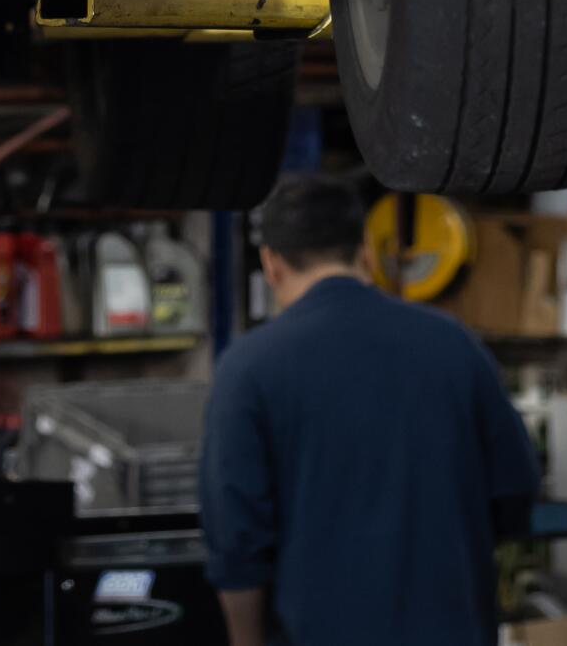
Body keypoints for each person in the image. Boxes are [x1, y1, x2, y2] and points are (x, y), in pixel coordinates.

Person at [199, 176, 540, 646]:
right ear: (364, 250)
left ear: (271, 264)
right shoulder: (453, 344)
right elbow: (516, 487)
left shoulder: (248, 366)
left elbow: (237, 537)